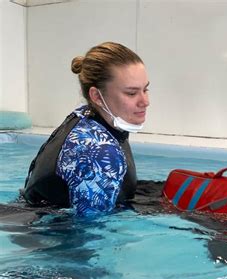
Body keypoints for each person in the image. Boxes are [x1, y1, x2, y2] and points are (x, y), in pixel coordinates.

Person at [22, 42, 150, 216]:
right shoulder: (96, 149)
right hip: (50, 233)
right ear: (96, 96)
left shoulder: (88, 117)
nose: (145, 101)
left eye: (145, 89)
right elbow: (93, 233)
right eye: (131, 93)